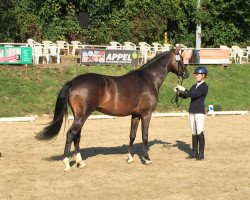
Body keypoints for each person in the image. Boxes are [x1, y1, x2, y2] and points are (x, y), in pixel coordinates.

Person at [174, 66, 208, 160]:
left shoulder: (204, 87)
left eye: (198, 74)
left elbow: (193, 94)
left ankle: (201, 153)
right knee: (193, 131)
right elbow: (187, 96)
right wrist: (179, 93)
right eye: (196, 74)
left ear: (203, 76)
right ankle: (194, 152)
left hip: (199, 111)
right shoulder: (194, 86)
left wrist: (184, 89)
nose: (196, 76)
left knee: (199, 131)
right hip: (192, 110)